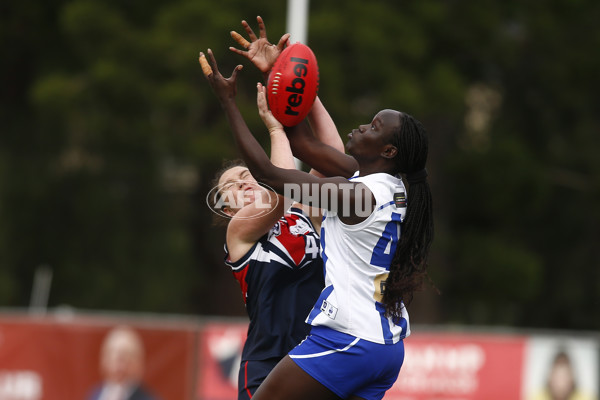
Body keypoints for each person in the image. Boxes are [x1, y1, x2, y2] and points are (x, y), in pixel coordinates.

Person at [200, 35, 433, 400]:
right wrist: (289, 79)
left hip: (347, 340)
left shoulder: (352, 195)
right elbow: (307, 147)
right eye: (233, 185)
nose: (360, 127)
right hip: (376, 345)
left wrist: (229, 102)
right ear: (226, 208)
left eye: (373, 127)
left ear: (388, 150)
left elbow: (271, 176)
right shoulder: (378, 184)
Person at [205, 17, 354, 400]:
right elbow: (281, 186)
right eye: (232, 188)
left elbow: (333, 151)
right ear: (228, 208)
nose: (242, 184)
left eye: (244, 176)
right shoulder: (238, 234)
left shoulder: (304, 211)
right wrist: (274, 128)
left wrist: (294, 81)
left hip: (317, 361)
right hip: (268, 366)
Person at [87, 326, 160, 400]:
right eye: (111, 354)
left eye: (124, 357)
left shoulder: (148, 398)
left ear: (138, 364)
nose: (118, 365)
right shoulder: (95, 394)